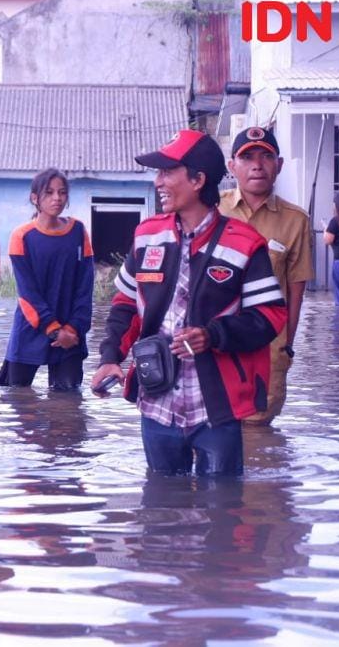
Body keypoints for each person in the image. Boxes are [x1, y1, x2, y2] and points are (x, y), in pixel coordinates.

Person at [91, 130, 287, 476]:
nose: (158, 182)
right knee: (160, 508)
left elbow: (270, 317)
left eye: (168, 172)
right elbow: (125, 304)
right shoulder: (147, 235)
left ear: (198, 180)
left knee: (223, 510)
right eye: (159, 173)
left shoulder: (245, 244)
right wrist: (109, 358)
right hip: (156, 400)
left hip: (216, 406)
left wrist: (213, 335)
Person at [218, 126, 313, 428]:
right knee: (214, 432)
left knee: (259, 442)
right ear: (231, 166)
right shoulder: (212, 210)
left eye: (266, 156)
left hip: (268, 352)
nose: (257, 165)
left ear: (279, 165)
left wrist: (285, 347)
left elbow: (296, 290)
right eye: (247, 158)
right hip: (215, 347)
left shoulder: (295, 220)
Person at [0, 168, 94, 391]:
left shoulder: (78, 231)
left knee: (69, 403)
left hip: (71, 332)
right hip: (31, 327)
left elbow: (85, 288)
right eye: (49, 192)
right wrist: (54, 330)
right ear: (35, 198)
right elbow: (27, 294)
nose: (56, 198)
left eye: (62, 192)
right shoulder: (22, 236)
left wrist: (73, 329)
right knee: (17, 396)